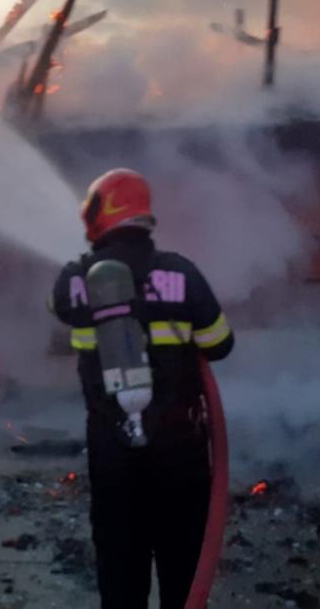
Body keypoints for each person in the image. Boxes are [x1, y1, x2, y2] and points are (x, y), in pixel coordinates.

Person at [50, 168, 234, 608]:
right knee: (182, 564)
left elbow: (57, 306)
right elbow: (220, 344)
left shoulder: (74, 279)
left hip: (111, 447)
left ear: (100, 214)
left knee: (119, 566)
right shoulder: (183, 274)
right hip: (179, 447)